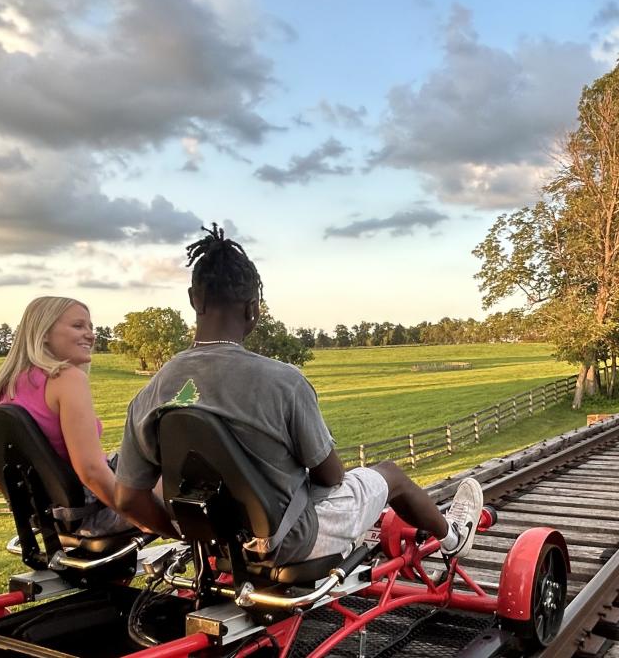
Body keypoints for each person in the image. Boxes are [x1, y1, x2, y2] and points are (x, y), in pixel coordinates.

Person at [111, 224, 484, 565]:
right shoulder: (284, 381)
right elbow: (332, 477)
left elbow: (128, 498)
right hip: (292, 540)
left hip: (213, 546)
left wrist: (188, 537)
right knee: (389, 474)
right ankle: (453, 538)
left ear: (194, 299)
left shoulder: (150, 394)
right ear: (254, 310)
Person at [0, 296, 132, 537]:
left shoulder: (3, 389)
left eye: (91, 327)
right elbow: (91, 470)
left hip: (53, 518)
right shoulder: (67, 378)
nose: (91, 335)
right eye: (78, 326)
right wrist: (141, 516)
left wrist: (44, 511)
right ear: (43, 333)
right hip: (93, 511)